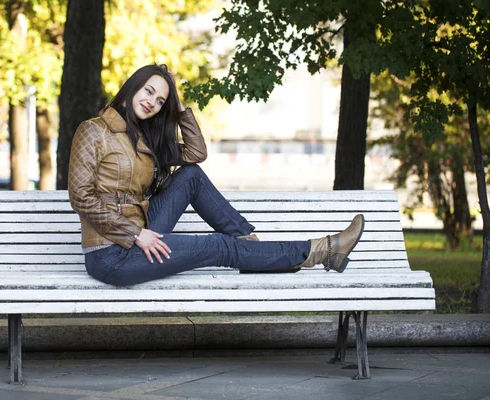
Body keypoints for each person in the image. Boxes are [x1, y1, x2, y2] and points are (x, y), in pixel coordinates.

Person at [68, 64, 365, 286]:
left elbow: (196, 154)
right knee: (217, 246)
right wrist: (134, 234)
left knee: (191, 175)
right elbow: (80, 197)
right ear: (132, 86)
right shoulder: (94, 130)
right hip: (112, 253)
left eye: (160, 101)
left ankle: (248, 245)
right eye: (149, 91)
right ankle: (323, 251)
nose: (152, 102)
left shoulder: (145, 139)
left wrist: (178, 106)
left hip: (144, 232)